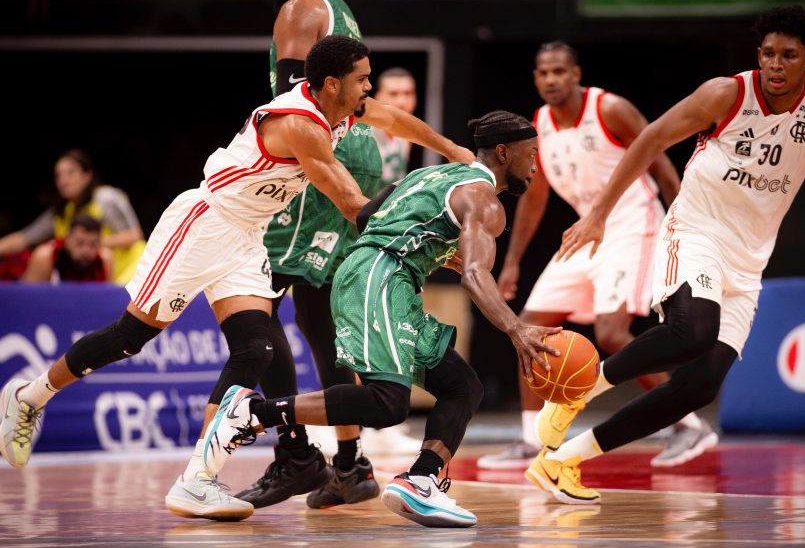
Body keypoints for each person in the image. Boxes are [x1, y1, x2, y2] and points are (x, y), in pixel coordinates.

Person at [0, 36, 473, 523]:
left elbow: (394, 121)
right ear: (332, 84)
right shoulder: (300, 126)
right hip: (205, 224)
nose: (368, 88)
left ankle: (197, 481)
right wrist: (427, 243)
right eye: (362, 79)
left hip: (247, 237)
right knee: (129, 337)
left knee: (257, 349)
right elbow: (353, 206)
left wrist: (453, 149)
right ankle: (29, 395)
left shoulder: (340, 105)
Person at [526, 5, 805, 504]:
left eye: (789, 55)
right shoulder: (727, 93)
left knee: (701, 386)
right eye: (768, 54)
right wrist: (597, 216)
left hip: (749, 257)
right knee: (691, 329)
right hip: (696, 228)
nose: (776, 65)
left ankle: (563, 460)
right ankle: (578, 392)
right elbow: (652, 137)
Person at [197, 110, 564, 528]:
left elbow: (372, 215)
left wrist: (428, 248)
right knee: (388, 403)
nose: (536, 164)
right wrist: (516, 328)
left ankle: (421, 480)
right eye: (531, 153)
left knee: (463, 387)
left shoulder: (433, 176)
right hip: (380, 276)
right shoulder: (486, 201)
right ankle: (255, 413)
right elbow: (476, 275)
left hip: (385, 276)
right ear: (503, 152)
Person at [479, 41, 716, 471]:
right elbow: (536, 197)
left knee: (610, 332)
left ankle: (687, 424)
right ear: (535, 78)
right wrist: (513, 259)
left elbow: (661, 165)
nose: (550, 79)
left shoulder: (610, 109)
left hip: (633, 223)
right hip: (588, 228)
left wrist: (687, 228)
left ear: (575, 73)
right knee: (530, 325)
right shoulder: (540, 124)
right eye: (542, 72)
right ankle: (533, 439)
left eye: (558, 71)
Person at [237, 0, 422, 514]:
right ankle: (351, 464)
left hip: (319, 152)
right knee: (319, 321)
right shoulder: (335, 4)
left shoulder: (297, 8)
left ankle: (295, 452)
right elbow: (364, 107)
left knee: (255, 299)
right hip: (354, 151)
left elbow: (294, 102)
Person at [0, 149, 145, 285]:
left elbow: (134, 235)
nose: (63, 181)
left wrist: (87, 244)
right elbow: (24, 238)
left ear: (87, 175)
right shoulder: (60, 211)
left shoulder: (106, 198)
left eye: (70, 173)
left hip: (132, 275)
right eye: (58, 175)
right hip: (95, 282)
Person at [20, 213, 113, 283]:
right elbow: (29, 301)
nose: (86, 250)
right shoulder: (45, 256)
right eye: (80, 243)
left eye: (93, 244)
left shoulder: (104, 259)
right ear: (67, 240)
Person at [372, 67, 419, 183]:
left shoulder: (407, 134)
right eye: (393, 94)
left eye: (408, 93)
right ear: (378, 98)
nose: (401, 102)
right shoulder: (363, 133)